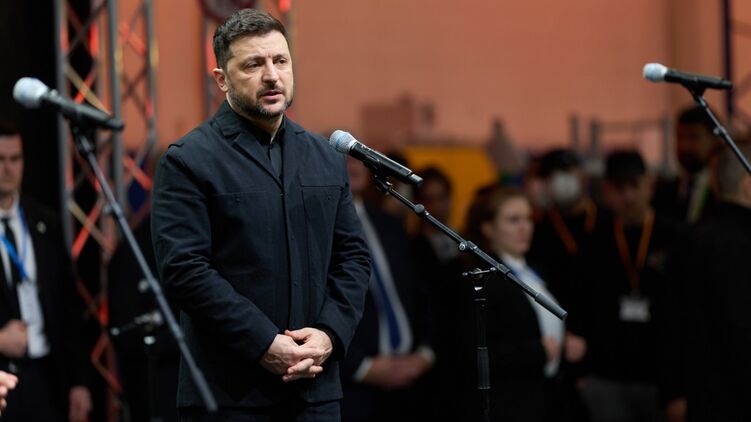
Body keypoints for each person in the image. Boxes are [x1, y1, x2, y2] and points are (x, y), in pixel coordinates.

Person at [150, 8, 371, 421]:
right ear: (221, 79)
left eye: (280, 60)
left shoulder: (324, 157)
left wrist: (329, 334)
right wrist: (264, 343)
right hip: (230, 395)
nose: (272, 75)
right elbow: (184, 270)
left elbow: (353, 258)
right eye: (253, 64)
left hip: (316, 392)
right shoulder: (188, 160)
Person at [578, 150, 682, 422]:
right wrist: (584, 374)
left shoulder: (675, 236)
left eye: (634, 185)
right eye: (619, 188)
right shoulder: (595, 240)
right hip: (607, 375)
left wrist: (680, 384)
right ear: (606, 190)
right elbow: (582, 303)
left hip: (661, 376)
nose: (628, 196)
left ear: (649, 184)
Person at [0, 122, 92, 421]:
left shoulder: (44, 221)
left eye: (15, 158)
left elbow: (68, 307)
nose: (8, 168)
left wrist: (79, 381)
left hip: (47, 378)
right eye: (0, 159)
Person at [340, 157, 434, 421]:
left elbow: (420, 293)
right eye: (343, 158)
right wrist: (361, 367)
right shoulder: (314, 229)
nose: (353, 166)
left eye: (358, 158)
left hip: (412, 381)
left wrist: (425, 352)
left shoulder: (389, 224)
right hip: (354, 389)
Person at [459, 184, 564, 422]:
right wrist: (537, 352)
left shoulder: (533, 269)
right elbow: (474, 350)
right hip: (509, 401)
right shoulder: (482, 278)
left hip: (541, 394)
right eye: (513, 220)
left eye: (528, 218)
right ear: (488, 228)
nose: (524, 227)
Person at [665, 145, 751, 422]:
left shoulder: (690, 238)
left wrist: (673, 391)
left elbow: (670, 320)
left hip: (700, 397)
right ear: (748, 185)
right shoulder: (738, 244)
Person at [653, 105, 719, 224]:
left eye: (693, 137)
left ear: (714, 140)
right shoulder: (664, 191)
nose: (684, 145)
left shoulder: (722, 194)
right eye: (679, 137)